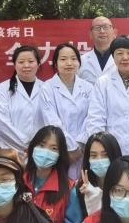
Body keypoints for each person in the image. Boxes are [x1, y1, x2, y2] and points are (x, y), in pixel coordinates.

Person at [23, 126, 79, 223]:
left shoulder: (69, 189)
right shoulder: (16, 181)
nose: (46, 152)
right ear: (32, 147)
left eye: (53, 148)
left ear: (60, 154)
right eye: (42, 145)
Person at [38, 42, 94, 181]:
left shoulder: (89, 88)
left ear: (79, 62)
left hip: (84, 149)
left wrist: (80, 146)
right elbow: (52, 121)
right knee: (60, 185)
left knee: (84, 185)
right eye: (63, 59)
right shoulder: (47, 88)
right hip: (60, 148)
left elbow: (92, 117)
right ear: (56, 64)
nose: (69, 63)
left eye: (74, 59)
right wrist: (70, 147)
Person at [0, 45, 45, 153]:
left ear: (38, 64)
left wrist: (39, 145)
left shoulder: (46, 88)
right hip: (9, 151)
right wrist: (26, 144)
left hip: (40, 151)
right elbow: (0, 123)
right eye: (21, 62)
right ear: (14, 65)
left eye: (31, 61)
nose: (26, 65)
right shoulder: (3, 89)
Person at [76, 131, 122, 218]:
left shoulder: (125, 186)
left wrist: (98, 197)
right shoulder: (80, 188)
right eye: (93, 155)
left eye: (105, 155)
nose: (99, 160)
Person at [79, 16, 117, 83]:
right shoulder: (81, 61)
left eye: (106, 27)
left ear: (114, 33)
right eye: (97, 28)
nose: (102, 31)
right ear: (90, 34)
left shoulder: (124, 60)